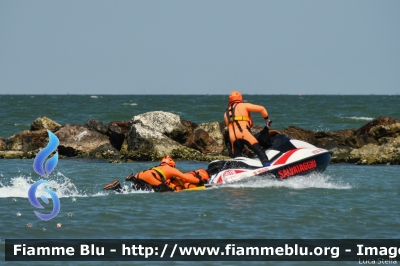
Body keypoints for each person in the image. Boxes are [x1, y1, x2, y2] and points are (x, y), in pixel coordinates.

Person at [103, 156, 209, 193]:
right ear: (172, 164)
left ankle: (118, 187)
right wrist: (201, 181)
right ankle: (131, 181)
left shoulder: (158, 167)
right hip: (150, 177)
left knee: (142, 190)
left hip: (140, 175)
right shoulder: (170, 169)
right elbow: (186, 178)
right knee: (166, 191)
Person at [224, 90, 272, 166]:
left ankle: (237, 172)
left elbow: (228, 126)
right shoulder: (243, 105)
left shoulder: (226, 113)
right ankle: (267, 166)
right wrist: (266, 119)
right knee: (260, 152)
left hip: (233, 138)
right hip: (244, 133)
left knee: (237, 161)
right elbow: (262, 109)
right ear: (240, 98)